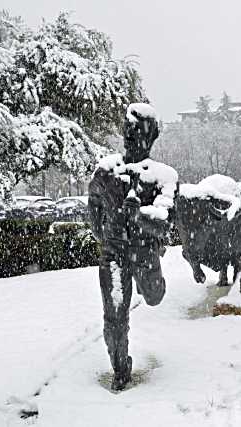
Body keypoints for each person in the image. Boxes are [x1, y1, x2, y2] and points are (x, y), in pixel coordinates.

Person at [88, 103, 177, 391]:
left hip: (145, 253)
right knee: (114, 314)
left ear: (150, 137)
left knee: (152, 297)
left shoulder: (163, 176)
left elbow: (165, 223)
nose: (130, 136)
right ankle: (120, 366)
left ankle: (153, 285)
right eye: (127, 130)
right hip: (113, 254)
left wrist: (139, 216)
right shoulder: (106, 171)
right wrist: (107, 237)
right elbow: (94, 210)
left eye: (137, 132)